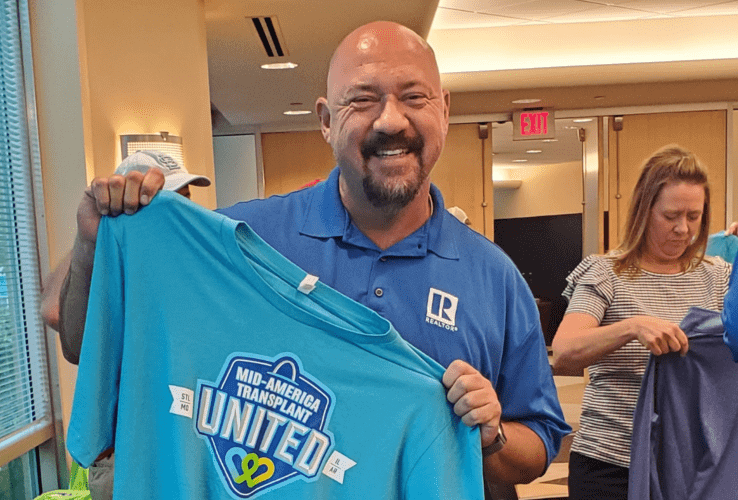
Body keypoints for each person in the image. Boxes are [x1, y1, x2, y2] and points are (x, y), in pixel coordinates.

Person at [42, 21, 570, 494]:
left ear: (444, 110)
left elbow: (540, 446)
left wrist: (491, 432)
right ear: (325, 119)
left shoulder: (493, 278)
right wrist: (93, 242)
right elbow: (82, 343)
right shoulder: (244, 242)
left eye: (414, 96)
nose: (390, 120)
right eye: (362, 100)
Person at [551, 144, 730, 499]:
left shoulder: (719, 277)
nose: (683, 229)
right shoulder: (606, 273)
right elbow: (564, 352)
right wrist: (632, 327)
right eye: (671, 216)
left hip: (691, 462)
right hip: (609, 463)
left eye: (694, 216)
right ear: (644, 210)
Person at [40, 150, 210, 500]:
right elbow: (71, 337)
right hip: (132, 457)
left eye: (186, 200)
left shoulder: (196, 258)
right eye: (165, 204)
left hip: (195, 447)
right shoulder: (113, 264)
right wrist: (93, 238)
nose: (181, 213)